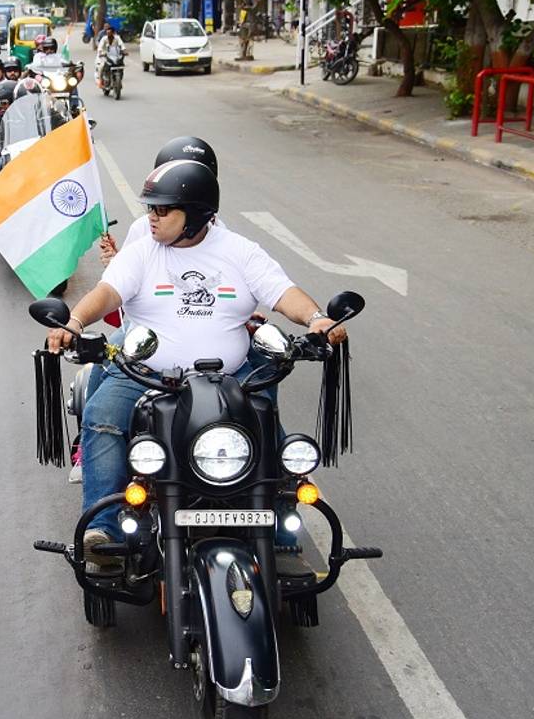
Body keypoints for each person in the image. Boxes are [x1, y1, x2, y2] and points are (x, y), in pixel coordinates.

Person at [45, 159, 347, 563]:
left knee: (266, 425)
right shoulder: (141, 254)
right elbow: (107, 292)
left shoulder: (239, 252)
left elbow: (282, 292)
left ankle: (278, 522)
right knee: (100, 415)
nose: (152, 217)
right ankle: (104, 528)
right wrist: (76, 322)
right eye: (150, 208)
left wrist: (316, 320)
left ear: (198, 214)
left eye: (162, 209)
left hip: (231, 380)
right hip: (147, 376)